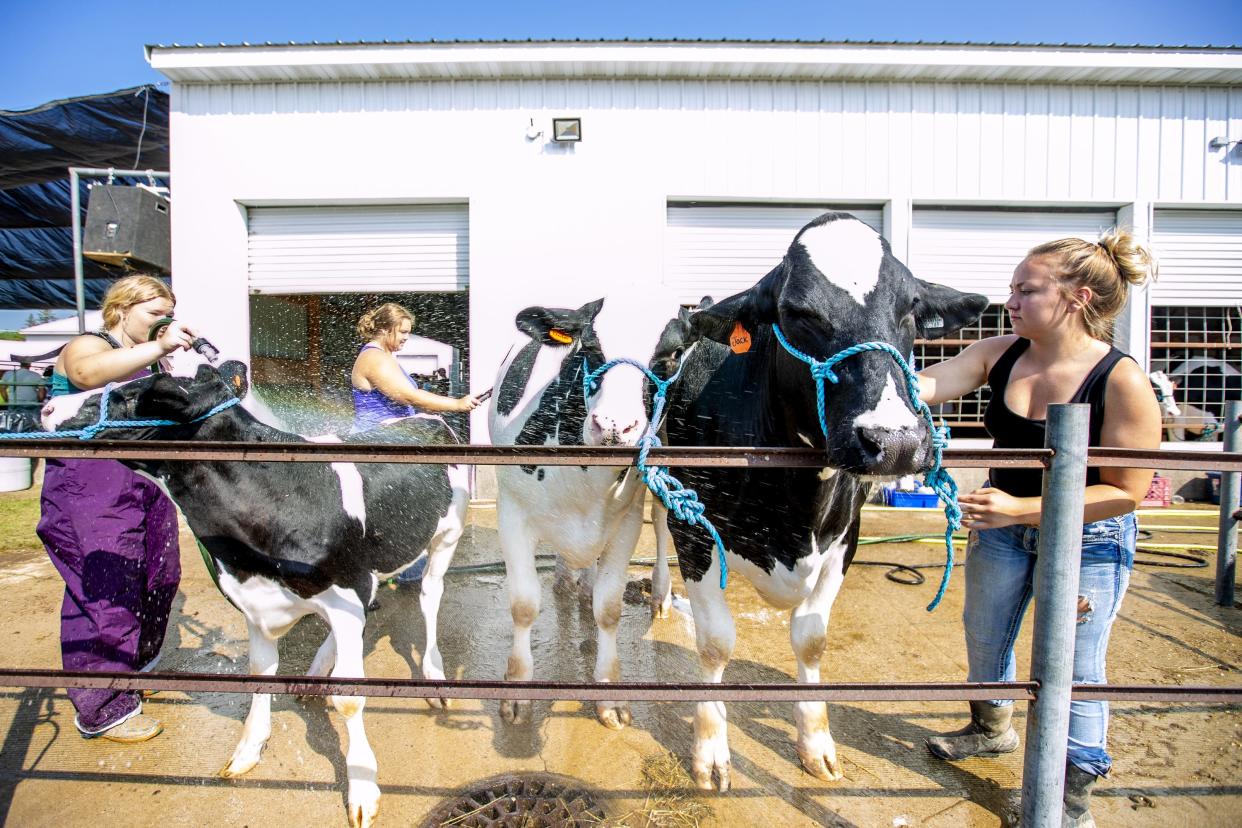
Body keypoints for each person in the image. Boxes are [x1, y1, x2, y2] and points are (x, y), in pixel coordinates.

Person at [915, 230, 1161, 827]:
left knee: (1076, 668)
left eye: (1026, 289)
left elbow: (1126, 493)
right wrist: (866, 367)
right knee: (985, 638)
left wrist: (1022, 510)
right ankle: (991, 729)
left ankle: (1070, 796)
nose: (1012, 301)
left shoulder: (1121, 379)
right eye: (1012, 289)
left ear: (1077, 297)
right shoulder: (999, 353)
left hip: (1088, 538)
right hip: (1001, 530)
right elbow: (928, 385)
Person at [36, 274, 201, 743]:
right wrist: (158, 347)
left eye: (168, 315)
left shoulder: (154, 364)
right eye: (155, 315)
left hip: (144, 482)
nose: (163, 324)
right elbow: (89, 375)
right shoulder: (87, 345)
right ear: (121, 310)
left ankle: (134, 674)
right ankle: (101, 708)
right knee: (106, 587)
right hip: (91, 484)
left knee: (159, 576)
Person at [350, 302, 478, 433]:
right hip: (372, 440)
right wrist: (457, 404)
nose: (406, 338)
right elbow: (409, 397)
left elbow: (411, 400)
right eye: (403, 332)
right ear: (384, 329)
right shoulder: (374, 358)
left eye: (408, 333)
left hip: (386, 438)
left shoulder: (381, 356)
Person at [0, 359, 45, 428]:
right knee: (34, 424)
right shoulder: (36, 375)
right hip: (31, 404)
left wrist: (7, 400)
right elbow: (41, 393)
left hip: (14, 403)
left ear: (20, 364)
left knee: (13, 424)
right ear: (30, 364)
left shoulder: (9, 374)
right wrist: (39, 401)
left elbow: (2, 389)